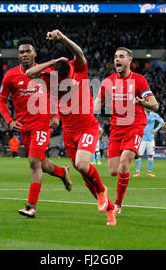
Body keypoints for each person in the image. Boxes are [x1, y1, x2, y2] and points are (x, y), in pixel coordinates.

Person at [26, 29, 118, 226]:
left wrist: (62, 38)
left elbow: (80, 53)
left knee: (83, 166)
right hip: (69, 132)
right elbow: (29, 73)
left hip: (87, 127)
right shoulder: (51, 74)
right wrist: (50, 62)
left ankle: (102, 190)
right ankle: (110, 209)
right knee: (83, 173)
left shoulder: (78, 68)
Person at [0, 37, 72, 218]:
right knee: (42, 163)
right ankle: (63, 172)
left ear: (34, 54)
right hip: (23, 126)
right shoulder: (10, 75)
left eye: (27, 51)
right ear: (18, 55)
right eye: (21, 52)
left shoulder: (46, 73)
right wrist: (9, 120)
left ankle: (31, 206)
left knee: (33, 163)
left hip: (42, 123)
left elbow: (58, 95)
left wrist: (56, 115)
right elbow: (1, 100)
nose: (24, 54)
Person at [94, 47, 159, 214]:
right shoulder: (108, 81)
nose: (117, 59)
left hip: (135, 127)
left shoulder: (139, 80)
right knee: (113, 171)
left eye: (121, 57)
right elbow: (96, 105)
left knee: (124, 164)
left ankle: (117, 205)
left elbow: (155, 104)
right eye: (115, 57)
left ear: (129, 61)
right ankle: (132, 153)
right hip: (116, 129)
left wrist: (142, 103)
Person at [134, 110, 164, 177]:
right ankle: (137, 172)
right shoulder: (141, 114)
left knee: (150, 155)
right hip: (142, 138)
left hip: (150, 138)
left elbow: (162, 122)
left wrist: (156, 129)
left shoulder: (154, 114)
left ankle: (149, 172)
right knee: (139, 155)